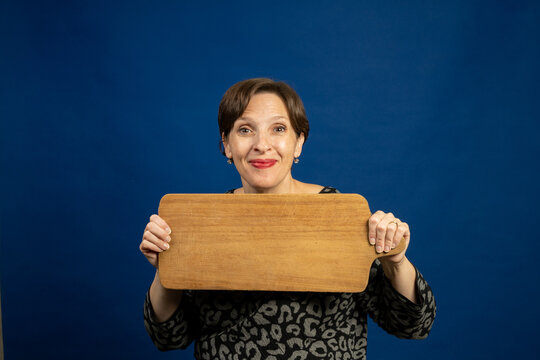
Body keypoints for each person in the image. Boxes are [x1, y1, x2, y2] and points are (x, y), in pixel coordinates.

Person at [140, 78, 436, 360]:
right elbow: (169, 338)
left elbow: (413, 325)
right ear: (227, 145)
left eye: (278, 129)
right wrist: (165, 266)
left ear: (299, 143)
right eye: (245, 130)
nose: (262, 144)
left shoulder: (337, 215)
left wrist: (395, 260)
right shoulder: (205, 222)